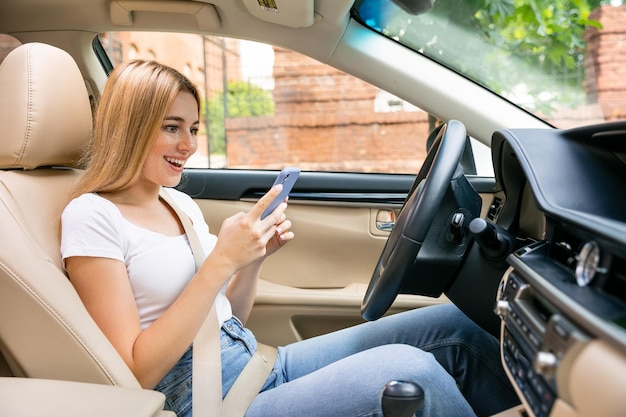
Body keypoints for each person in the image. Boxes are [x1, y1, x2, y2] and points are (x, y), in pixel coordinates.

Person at [60, 60, 519, 417]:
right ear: (131, 127)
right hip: (203, 401)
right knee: (409, 371)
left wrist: (253, 260)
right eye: (172, 127)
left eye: (194, 128)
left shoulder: (176, 203)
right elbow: (136, 372)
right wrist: (222, 260)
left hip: (254, 364)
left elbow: (226, 317)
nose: (189, 145)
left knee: (453, 329)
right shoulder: (92, 215)